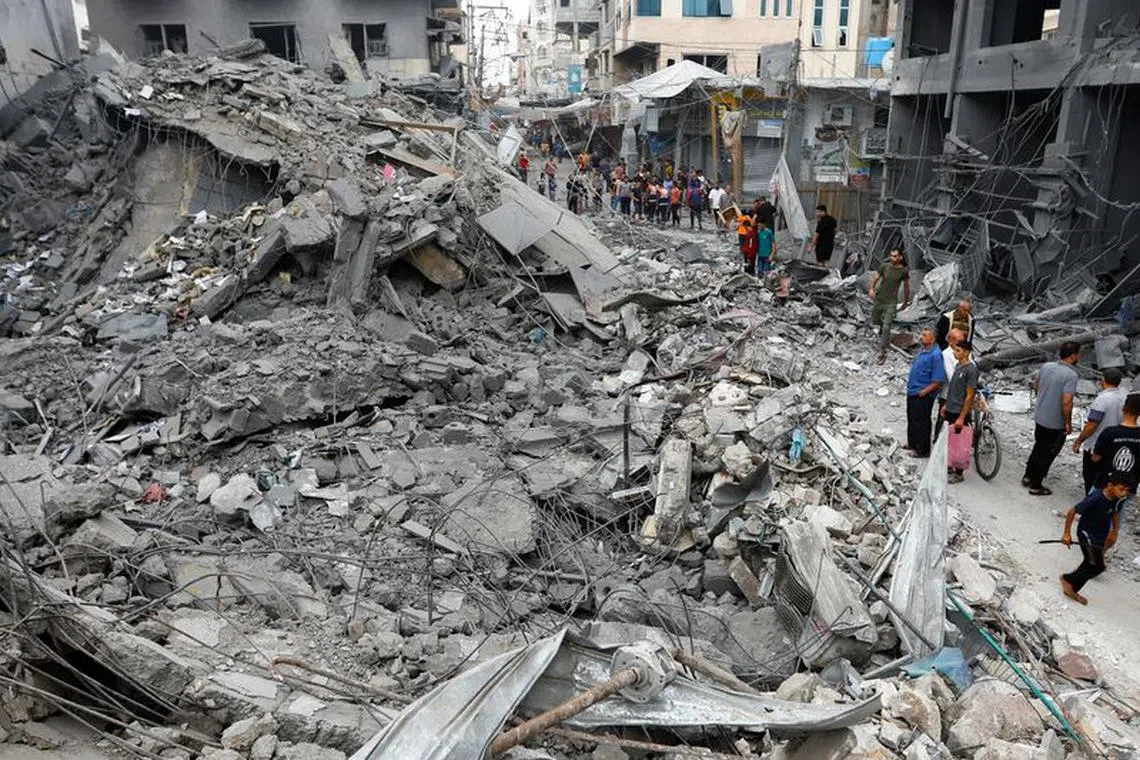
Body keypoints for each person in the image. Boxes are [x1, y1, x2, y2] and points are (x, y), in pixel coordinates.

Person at [1060, 471, 1134, 605]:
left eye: (1126, 491)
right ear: (1110, 485)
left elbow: (1115, 513)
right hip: (1087, 534)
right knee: (1096, 566)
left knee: (1093, 564)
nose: (1123, 493)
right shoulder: (1096, 498)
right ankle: (1069, 582)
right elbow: (1073, 511)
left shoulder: (1117, 499)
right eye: (1121, 489)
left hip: (1100, 536)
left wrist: (1114, 531)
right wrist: (1066, 533)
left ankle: (1071, 582)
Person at [1023, 342, 1081, 496]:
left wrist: (1044, 398)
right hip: (1055, 422)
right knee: (1048, 452)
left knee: (1038, 447)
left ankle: (1028, 476)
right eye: (1078, 354)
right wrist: (1068, 423)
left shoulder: (1047, 367)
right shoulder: (1071, 375)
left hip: (1040, 416)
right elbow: (1067, 401)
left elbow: (1036, 386)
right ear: (1073, 355)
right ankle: (1036, 484)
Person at [1073, 368, 1128, 493]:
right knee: (1107, 478)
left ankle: (1091, 504)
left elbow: (1092, 424)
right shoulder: (1124, 397)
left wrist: (1079, 440)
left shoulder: (1103, 399)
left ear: (1103, 380)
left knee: (1091, 477)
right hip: (1116, 446)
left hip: (1097, 445)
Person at [907, 328, 947, 458]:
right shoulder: (924, 351)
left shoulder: (936, 355)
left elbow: (938, 380)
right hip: (913, 391)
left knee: (922, 421)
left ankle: (922, 450)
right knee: (912, 418)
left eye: (925, 335)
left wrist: (924, 392)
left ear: (933, 339)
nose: (921, 337)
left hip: (923, 394)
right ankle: (912, 444)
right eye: (921, 334)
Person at [868, 247, 911, 364]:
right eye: (891, 255)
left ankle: (882, 351)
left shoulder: (903, 271)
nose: (892, 258)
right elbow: (876, 278)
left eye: (895, 256)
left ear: (900, 257)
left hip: (891, 302)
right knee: (876, 321)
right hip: (879, 298)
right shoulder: (885, 266)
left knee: (887, 326)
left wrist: (906, 302)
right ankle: (882, 330)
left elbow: (906, 287)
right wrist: (871, 289)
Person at [944, 340, 979, 483]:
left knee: (960, 442)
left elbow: (969, 395)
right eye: (955, 350)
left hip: (960, 411)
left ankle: (959, 473)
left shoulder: (971, 370)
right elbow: (953, 387)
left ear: (966, 352)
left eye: (958, 350)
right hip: (951, 408)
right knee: (951, 440)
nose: (955, 353)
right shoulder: (958, 366)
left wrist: (962, 416)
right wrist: (946, 404)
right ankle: (950, 465)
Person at [1089, 392, 1140, 491]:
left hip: (1105, 483)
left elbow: (1096, 458)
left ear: (1124, 408)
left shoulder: (1110, 432)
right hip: (1128, 487)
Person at [933, 328, 965, 441]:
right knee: (944, 421)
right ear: (950, 341)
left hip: (963, 392)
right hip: (949, 393)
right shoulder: (946, 355)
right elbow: (952, 376)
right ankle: (938, 443)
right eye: (958, 340)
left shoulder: (965, 351)